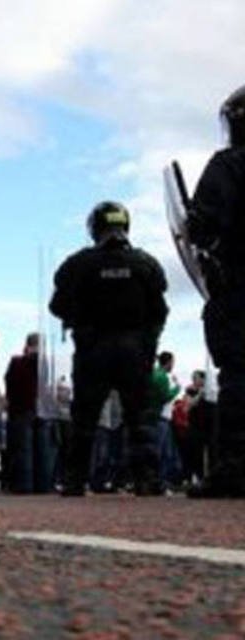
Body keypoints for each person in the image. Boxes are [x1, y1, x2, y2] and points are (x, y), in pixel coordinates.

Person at [50, 200, 169, 496]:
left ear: (94, 228)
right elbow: (159, 311)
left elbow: (57, 305)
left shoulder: (77, 264)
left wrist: (80, 322)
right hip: (134, 349)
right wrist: (147, 343)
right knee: (139, 416)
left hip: (93, 348)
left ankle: (75, 480)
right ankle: (147, 479)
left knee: (84, 418)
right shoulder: (146, 264)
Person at [186, 85, 245, 497]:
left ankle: (235, 469)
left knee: (240, 375)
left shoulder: (228, 164)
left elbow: (201, 225)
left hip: (239, 286)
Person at [4, 333, 40, 494]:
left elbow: (9, 383)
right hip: (40, 409)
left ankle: (24, 485)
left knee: (23, 449)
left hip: (20, 409)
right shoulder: (44, 363)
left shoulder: (17, 362)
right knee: (41, 450)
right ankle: (42, 484)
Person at [146, 352, 182, 489]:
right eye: (173, 362)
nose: (173, 365)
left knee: (165, 452)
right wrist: (177, 389)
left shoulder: (155, 374)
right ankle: (158, 480)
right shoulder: (162, 377)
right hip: (161, 418)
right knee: (161, 452)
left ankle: (159, 480)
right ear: (168, 362)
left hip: (160, 418)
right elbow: (166, 397)